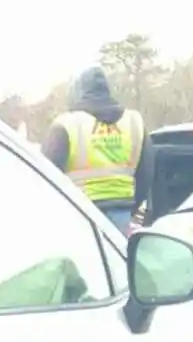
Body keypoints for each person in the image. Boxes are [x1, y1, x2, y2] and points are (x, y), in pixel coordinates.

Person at [41, 67, 143, 234]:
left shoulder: (66, 125)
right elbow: (146, 172)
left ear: (79, 93)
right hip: (122, 212)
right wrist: (133, 205)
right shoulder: (133, 121)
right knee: (118, 258)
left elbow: (45, 175)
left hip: (79, 213)